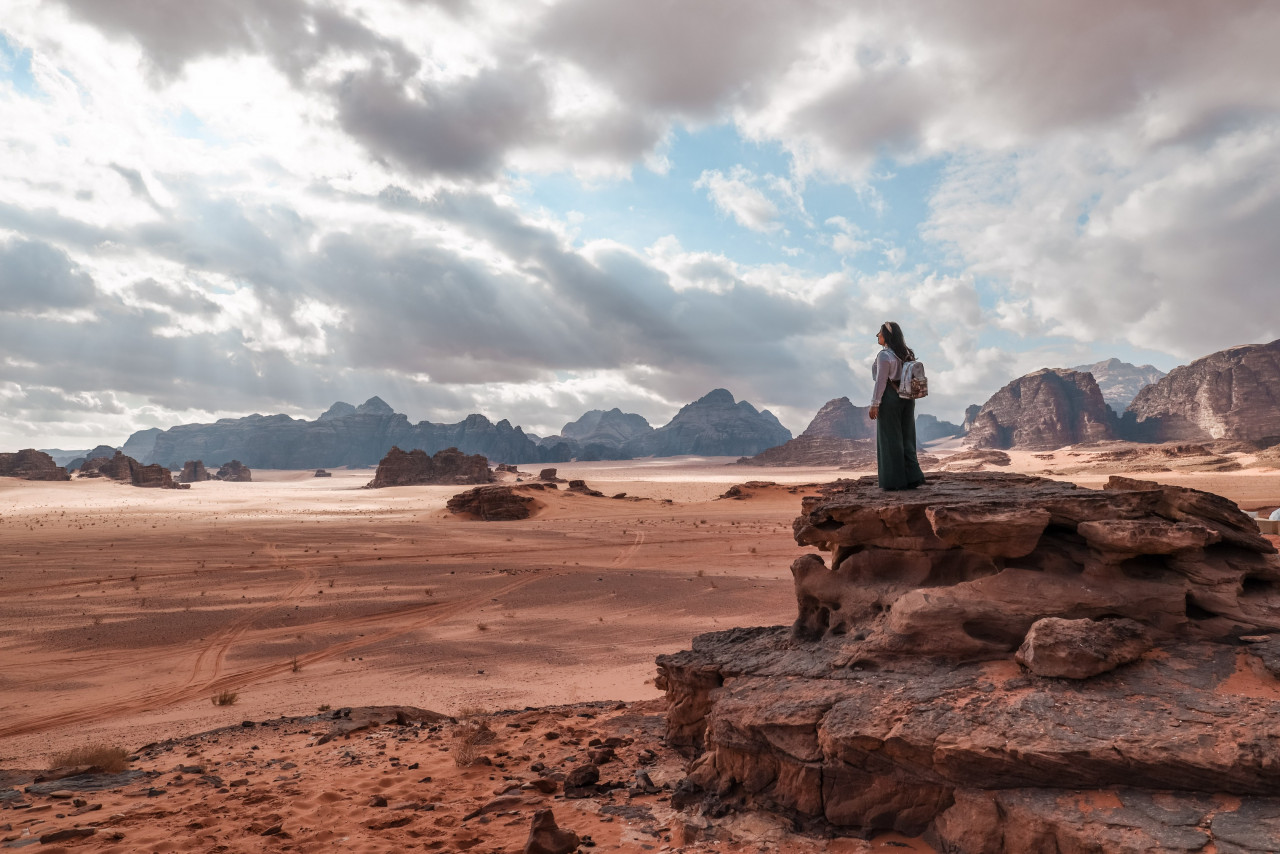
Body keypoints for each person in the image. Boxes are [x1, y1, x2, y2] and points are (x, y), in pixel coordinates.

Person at [868, 321, 926, 490]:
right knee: (907, 437)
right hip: (908, 397)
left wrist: (874, 403)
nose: (877, 335)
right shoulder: (906, 353)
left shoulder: (884, 355)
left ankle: (893, 482)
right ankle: (912, 478)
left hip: (891, 397)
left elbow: (880, 381)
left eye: (879, 332)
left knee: (890, 438)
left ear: (887, 335)